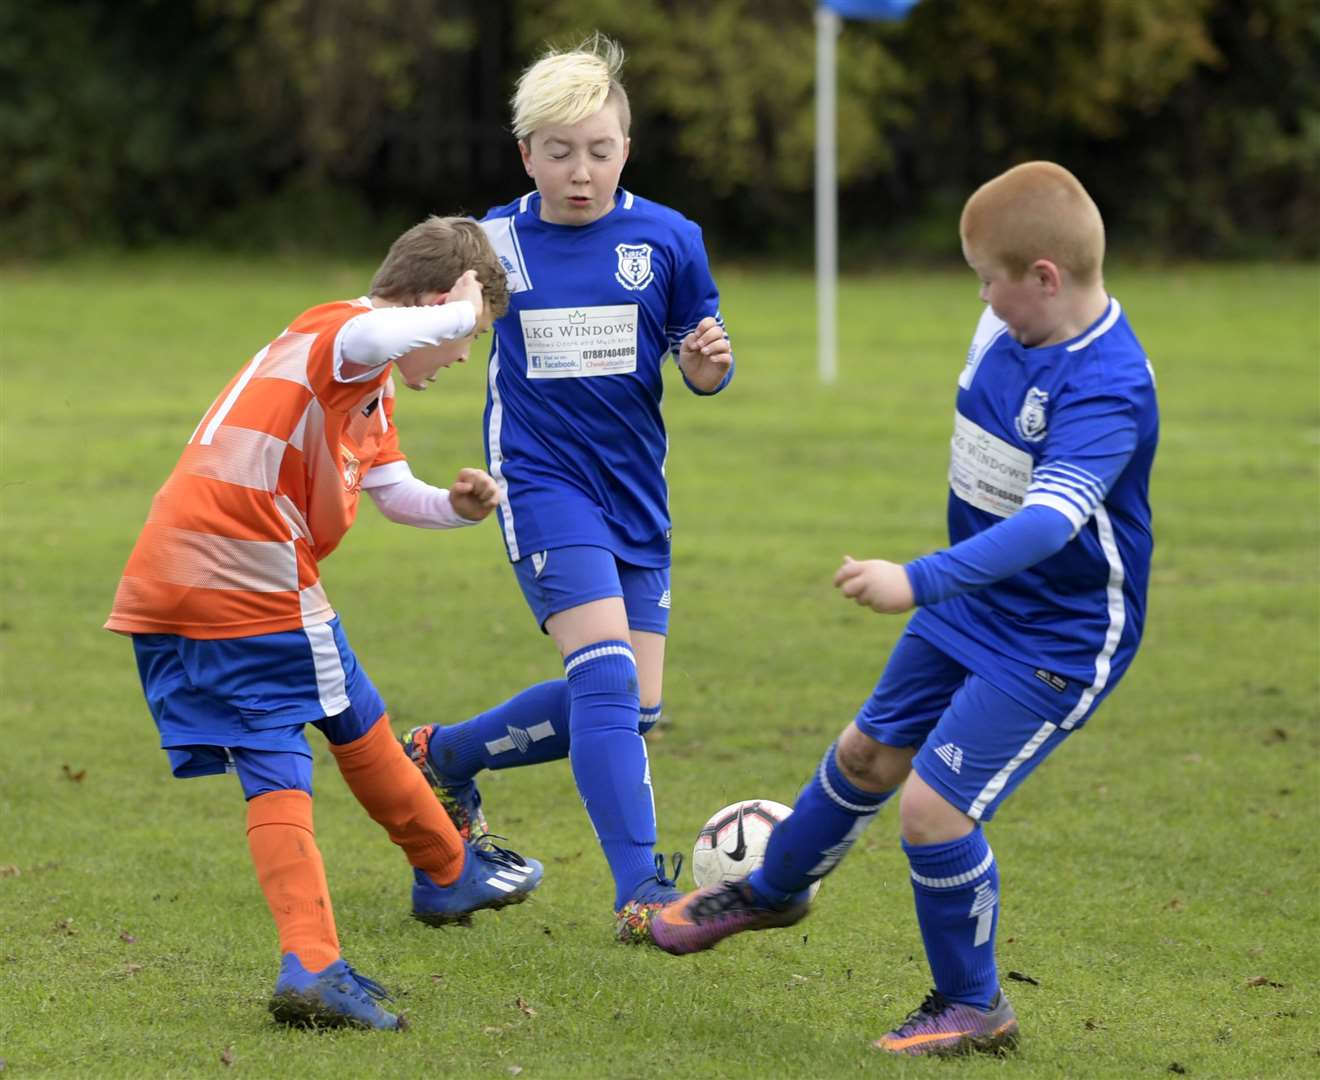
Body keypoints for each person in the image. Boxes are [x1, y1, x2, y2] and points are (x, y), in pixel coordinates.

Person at [648, 161, 1160, 1058]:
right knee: (866, 752)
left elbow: (1046, 527)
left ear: (1045, 276)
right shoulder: (1005, 324)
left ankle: (976, 1006)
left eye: (988, 282)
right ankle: (771, 890)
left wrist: (916, 579)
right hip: (975, 604)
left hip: (1059, 633)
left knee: (934, 810)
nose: (981, 300)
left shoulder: (1107, 386)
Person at [104, 216, 545, 1032]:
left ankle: (446, 868)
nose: (461, 355)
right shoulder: (342, 332)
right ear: (434, 303)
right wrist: (463, 304)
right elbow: (383, 325)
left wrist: (456, 507)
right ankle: (314, 960)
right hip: (241, 562)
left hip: (193, 561)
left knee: (351, 711)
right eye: (468, 335)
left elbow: (396, 493)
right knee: (281, 754)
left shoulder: (365, 380)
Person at [398, 34, 735, 944]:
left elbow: (700, 370)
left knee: (637, 705)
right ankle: (641, 893)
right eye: (558, 152)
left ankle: (443, 753)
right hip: (542, 488)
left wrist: (706, 365)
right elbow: (399, 312)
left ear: (625, 149)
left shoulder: (671, 238)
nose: (578, 172)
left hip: (636, 498)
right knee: (607, 674)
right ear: (526, 155)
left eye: (597, 150)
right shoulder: (494, 242)